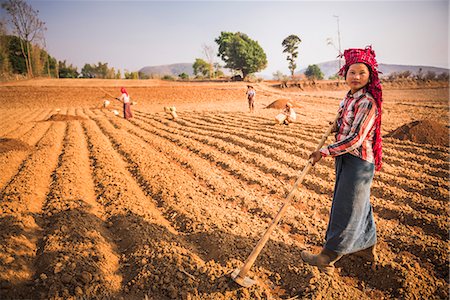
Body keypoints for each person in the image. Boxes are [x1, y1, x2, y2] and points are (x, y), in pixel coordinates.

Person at [301, 46, 383, 274]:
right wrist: (336, 126)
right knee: (360, 205)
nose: (356, 77)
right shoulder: (348, 99)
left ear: (370, 77)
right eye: (352, 72)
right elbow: (346, 127)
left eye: (362, 73)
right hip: (346, 159)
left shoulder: (367, 102)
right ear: (345, 74)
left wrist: (324, 151)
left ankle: (328, 257)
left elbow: (356, 138)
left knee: (346, 207)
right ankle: (365, 249)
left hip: (359, 162)